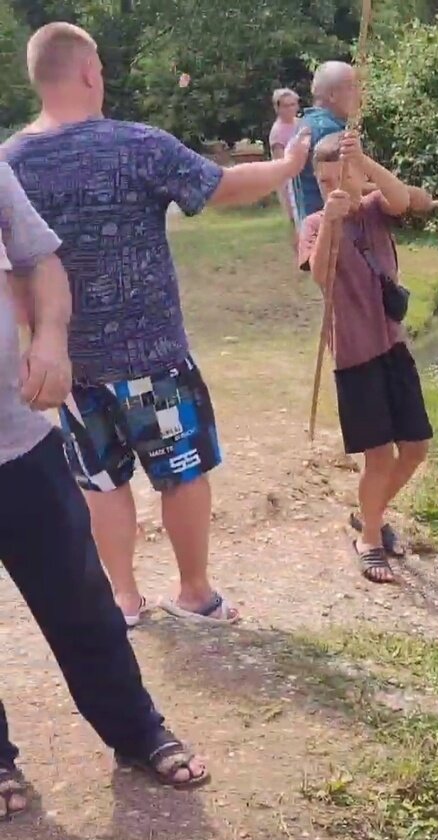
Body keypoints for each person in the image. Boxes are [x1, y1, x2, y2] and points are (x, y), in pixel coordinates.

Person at [4, 22, 310, 628]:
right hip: (153, 356)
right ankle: (195, 594)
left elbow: (14, 268)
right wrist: (289, 165)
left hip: (70, 366)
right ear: (89, 71)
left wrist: (38, 341)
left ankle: (124, 599)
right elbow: (223, 186)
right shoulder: (137, 144)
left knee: (101, 482)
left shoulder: (8, 162)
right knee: (182, 472)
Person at [0, 161, 210, 819]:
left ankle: (136, 731)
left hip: (16, 440)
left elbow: (39, 259)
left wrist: (51, 338)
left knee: (82, 601)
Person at [298, 131, 434, 584]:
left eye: (340, 178)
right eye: (323, 182)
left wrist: (365, 162)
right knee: (378, 456)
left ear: (358, 176)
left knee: (415, 449)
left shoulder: (375, 208)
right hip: (356, 355)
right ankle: (370, 540)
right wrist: (331, 222)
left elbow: (404, 200)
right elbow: (320, 275)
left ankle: (369, 515)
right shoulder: (315, 225)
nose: (332, 188)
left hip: (393, 346)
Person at [290, 61, 360, 230]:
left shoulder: (306, 124)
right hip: (331, 230)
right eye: (352, 87)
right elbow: (348, 188)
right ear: (332, 95)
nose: (359, 94)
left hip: (311, 227)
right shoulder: (328, 131)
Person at [269, 87, 300, 232]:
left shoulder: (300, 123)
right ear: (278, 108)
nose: (290, 109)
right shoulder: (277, 132)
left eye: (293, 104)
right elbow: (281, 164)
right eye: (286, 106)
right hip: (290, 184)